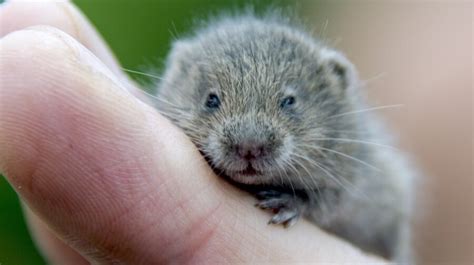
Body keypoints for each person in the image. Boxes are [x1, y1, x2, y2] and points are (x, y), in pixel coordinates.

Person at [0, 1, 388, 264]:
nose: (250, 144)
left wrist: (302, 204)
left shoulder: (349, 154)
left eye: (287, 104)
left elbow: (353, 195)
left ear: (334, 87)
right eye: (213, 102)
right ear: (177, 80)